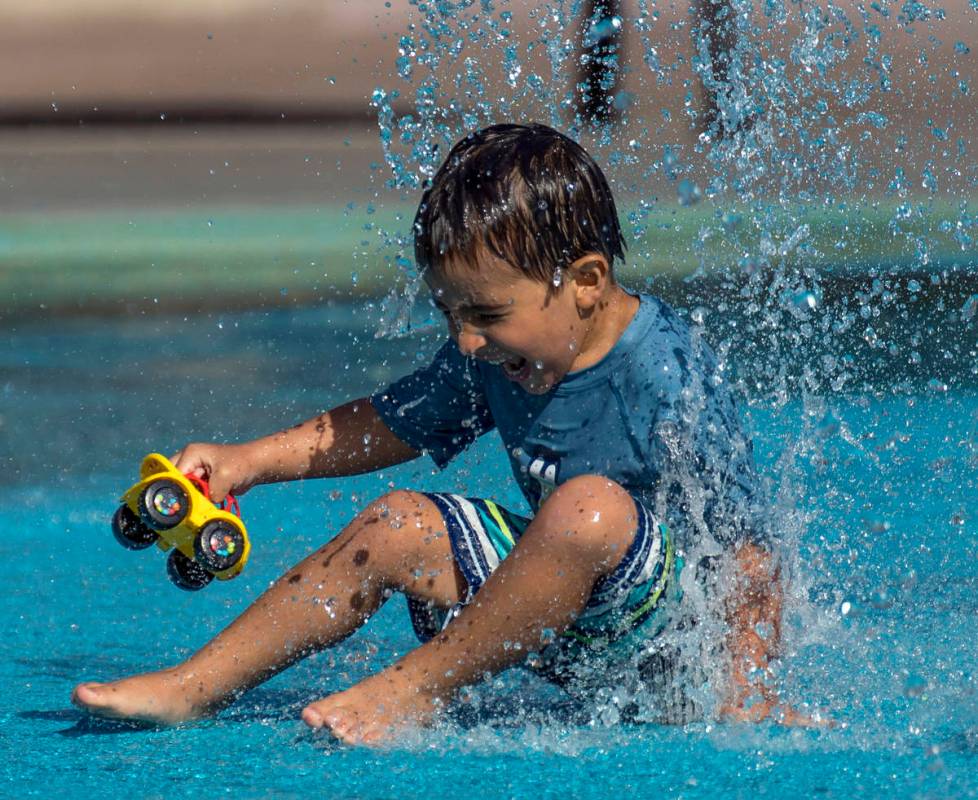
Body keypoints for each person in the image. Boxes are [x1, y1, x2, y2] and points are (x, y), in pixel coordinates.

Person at [71, 123, 793, 744]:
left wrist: (749, 692)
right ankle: (194, 687)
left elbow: (749, 549)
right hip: (561, 626)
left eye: (484, 315)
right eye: (451, 317)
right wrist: (248, 462)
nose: (468, 342)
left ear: (586, 280)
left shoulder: (665, 375)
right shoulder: (497, 354)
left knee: (590, 507)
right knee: (395, 523)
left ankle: (415, 688)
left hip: (671, 643)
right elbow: (390, 422)